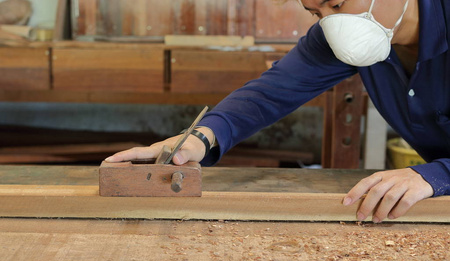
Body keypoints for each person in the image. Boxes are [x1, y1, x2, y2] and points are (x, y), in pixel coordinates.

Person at [105, 0, 450, 223]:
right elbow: (272, 92)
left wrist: (434, 175)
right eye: (316, 13)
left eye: (336, 3)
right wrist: (200, 138)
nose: (331, 24)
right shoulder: (344, 35)